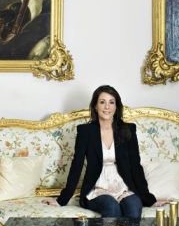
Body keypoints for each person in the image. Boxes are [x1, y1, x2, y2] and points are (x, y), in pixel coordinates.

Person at [42, 85, 167, 217]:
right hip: (97, 189)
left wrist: (150, 200)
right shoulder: (86, 132)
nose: (107, 107)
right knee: (111, 206)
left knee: (134, 207)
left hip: (124, 188)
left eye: (111, 102)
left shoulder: (128, 129)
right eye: (102, 102)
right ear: (95, 106)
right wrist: (61, 200)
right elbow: (76, 165)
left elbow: (136, 167)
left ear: (116, 106)